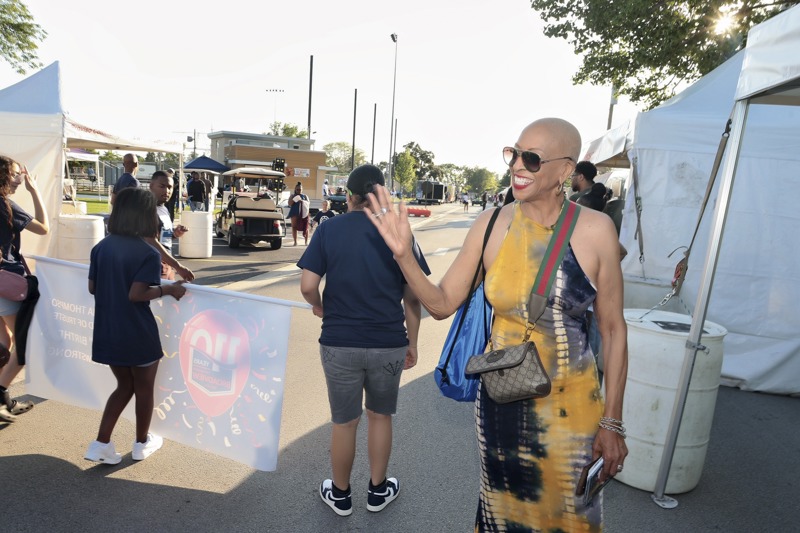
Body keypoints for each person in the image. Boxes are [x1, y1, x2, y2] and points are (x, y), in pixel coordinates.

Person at [365, 118, 628, 531]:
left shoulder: (596, 231)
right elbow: (441, 304)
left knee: (567, 516)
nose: (518, 165)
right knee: (503, 515)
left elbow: (613, 331)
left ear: (565, 170)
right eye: (514, 154)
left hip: (571, 412)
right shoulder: (492, 224)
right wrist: (403, 256)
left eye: (532, 158)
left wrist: (612, 421)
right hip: (501, 402)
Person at [298, 164, 428, 517]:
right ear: (381, 195)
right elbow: (413, 297)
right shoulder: (399, 233)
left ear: (349, 196)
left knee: (344, 421)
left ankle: (340, 495)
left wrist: (320, 307)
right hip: (388, 341)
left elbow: (308, 286)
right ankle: (377, 490)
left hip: (339, 341)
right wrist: (413, 343)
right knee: (380, 416)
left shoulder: (329, 229)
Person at [84, 187, 187, 464]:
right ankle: (142, 443)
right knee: (143, 388)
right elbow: (137, 294)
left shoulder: (101, 247)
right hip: (137, 332)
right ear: (145, 215)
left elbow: (93, 287)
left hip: (107, 330)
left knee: (123, 386)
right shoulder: (147, 253)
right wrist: (169, 289)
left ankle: (100, 444)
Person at [0, 157, 49, 423]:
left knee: (4, 344)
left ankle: (5, 400)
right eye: (17, 174)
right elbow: (43, 228)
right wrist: (35, 191)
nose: (21, 178)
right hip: (7, 285)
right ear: (4, 176)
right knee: (23, 348)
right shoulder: (5, 205)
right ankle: (1, 397)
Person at [149, 171, 190, 281]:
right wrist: (178, 266)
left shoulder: (164, 208)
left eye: (170, 187)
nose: (167, 191)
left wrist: (175, 234)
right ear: (151, 186)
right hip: (154, 265)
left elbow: (163, 237)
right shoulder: (147, 209)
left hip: (167, 264)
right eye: (162, 186)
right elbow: (151, 241)